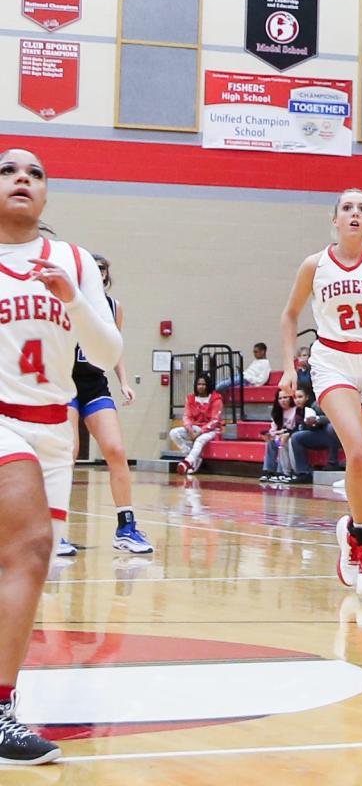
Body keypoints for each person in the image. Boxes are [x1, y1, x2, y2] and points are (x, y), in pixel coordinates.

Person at [0, 147, 122, 765]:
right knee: (28, 548)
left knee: (26, 567)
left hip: (54, 428)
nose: (22, 178)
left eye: (35, 173)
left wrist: (74, 298)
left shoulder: (73, 260)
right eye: (9, 170)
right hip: (1, 421)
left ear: (46, 194)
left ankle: (2, 704)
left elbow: (104, 351)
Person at [279, 188, 362, 597]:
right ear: (334, 220)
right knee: (355, 453)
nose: (355, 214)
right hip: (333, 359)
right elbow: (289, 315)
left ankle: (351, 529)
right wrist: (289, 367)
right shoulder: (314, 265)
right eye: (347, 208)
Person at [66, 253, 152, 555]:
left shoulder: (114, 307)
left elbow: (115, 348)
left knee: (115, 450)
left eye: (103, 269)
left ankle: (126, 528)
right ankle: (53, 530)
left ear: (106, 275)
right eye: (94, 267)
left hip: (94, 382)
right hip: (64, 381)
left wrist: (124, 382)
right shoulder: (65, 298)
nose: (99, 272)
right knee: (69, 452)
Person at [169, 373, 223, 475]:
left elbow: (215, 420)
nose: (201, 387)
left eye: (203, 384)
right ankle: (192, 455)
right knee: (174, 433)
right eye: (199, 384)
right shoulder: (190, 398)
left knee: (200, 439)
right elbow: (186, 416)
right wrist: (190, 430)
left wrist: (200, 432)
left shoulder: (216, 399)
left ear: (208, 385)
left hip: (211, 430)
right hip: (195, 428)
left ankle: (187, 462)